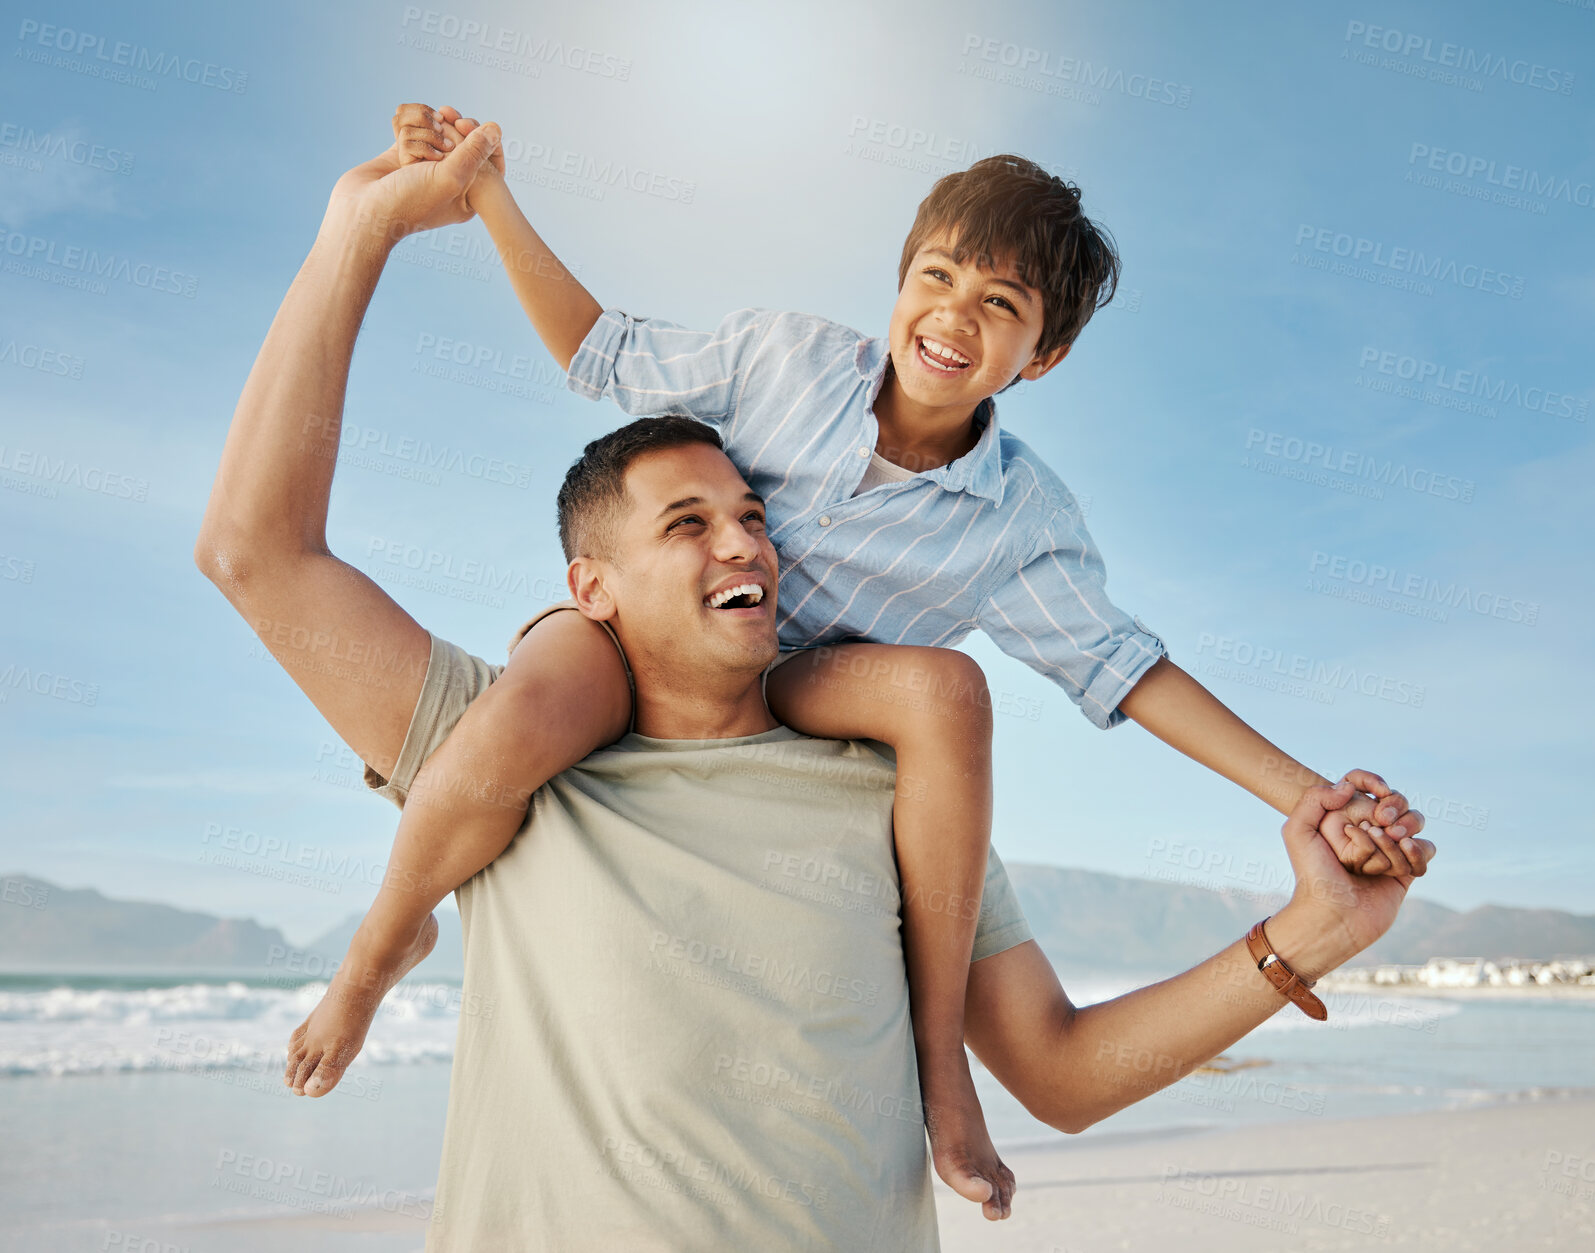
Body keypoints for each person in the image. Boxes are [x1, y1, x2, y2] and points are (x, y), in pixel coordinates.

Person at [194, 122, 1434, 1246]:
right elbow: (266, 542)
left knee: (945, 688)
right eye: (687, 521)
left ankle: (936, 1063)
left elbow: (1064, 1050)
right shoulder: (517, 760)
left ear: (1038, 357)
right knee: (546, 694)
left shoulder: (905, 798)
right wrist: (380, 225)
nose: (748, 540)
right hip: (593, 693)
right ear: (592, 580)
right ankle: (382, 938)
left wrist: (1317, 892)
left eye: (751, 511)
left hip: (831, 695)